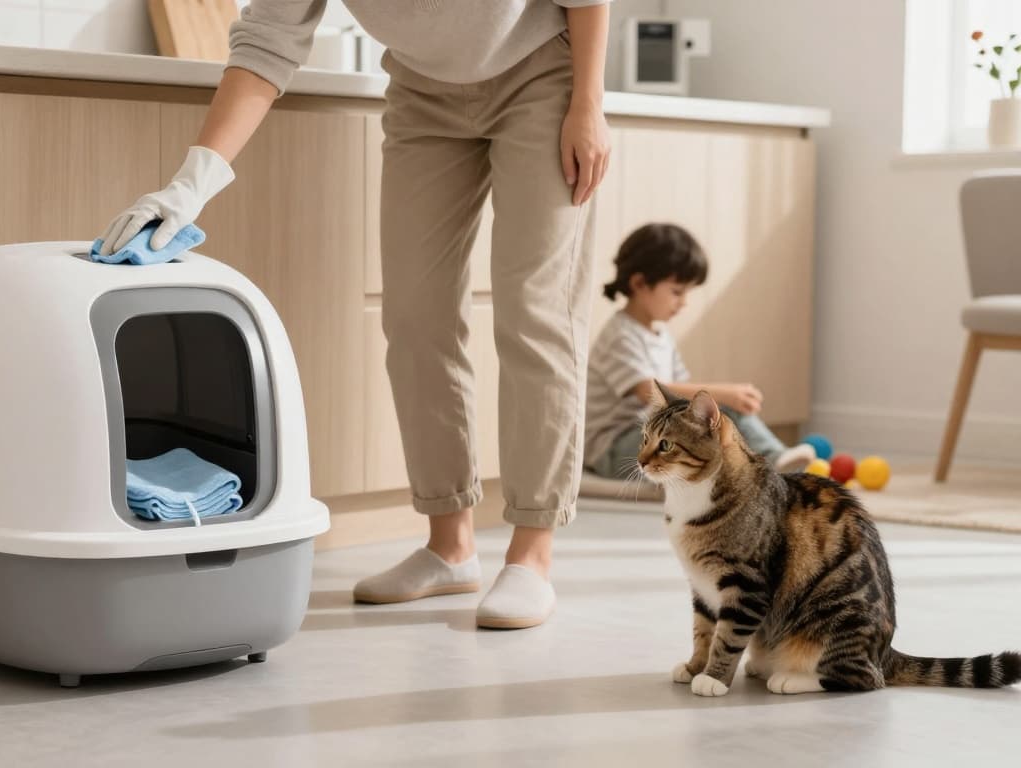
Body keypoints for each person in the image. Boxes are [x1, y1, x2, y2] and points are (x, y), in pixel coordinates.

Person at [97, 0, 614, 630]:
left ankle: (532, 553)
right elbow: (268, 42)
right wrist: (190, 184)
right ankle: (449, 545)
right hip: (425, 92)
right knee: (415, 316)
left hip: (542, 75)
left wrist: (587, 102)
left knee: (536, 312)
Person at [583, 223, 816, 481]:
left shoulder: (661, 337)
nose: (683, 302)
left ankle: (770, 461)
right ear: (639, 283)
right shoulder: (620, 334)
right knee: (721, 412)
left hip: (659, 436)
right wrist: (724, 396)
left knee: (714, 422)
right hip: (617, 447)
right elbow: (645, 391)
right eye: (676, 292)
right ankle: (773, 459)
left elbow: (680, 395)